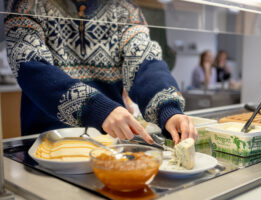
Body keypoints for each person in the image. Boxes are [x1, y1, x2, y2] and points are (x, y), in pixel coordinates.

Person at [5, 0, 197, 144]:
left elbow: (146, 64)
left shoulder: (125, 10)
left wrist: (169, 111)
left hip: (110, 145)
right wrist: (98, 108)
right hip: (47, 144)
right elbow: (31, 67)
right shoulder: (29, 4)